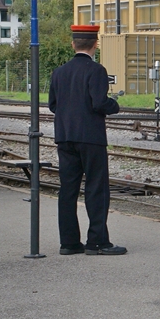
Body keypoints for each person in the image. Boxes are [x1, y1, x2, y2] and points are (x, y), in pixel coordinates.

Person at [48, 24, 125, 255]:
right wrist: (115, 105)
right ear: (95, 45)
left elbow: (53, 105)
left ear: (73, 44)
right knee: (96, 188)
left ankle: (69, 243)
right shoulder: (96, 70)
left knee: (68, 189)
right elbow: (99, 103)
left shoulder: (59, 72)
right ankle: (97, 241)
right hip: (91, 138)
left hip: (64, 137)